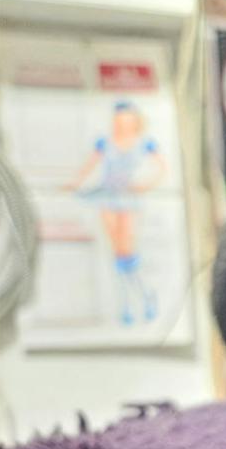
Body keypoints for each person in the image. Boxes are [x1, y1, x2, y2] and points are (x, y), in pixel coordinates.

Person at [68, 101, 166, 325]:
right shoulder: (105, 142)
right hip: (106, 197)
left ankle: (143, 296)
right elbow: (88, 167)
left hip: (128, 201)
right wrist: (73, 185)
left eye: (126, 119)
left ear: (134, 121)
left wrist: (145, 185)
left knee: (127, 252)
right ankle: (128, 304)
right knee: (118, 255)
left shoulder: (145, 143)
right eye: (119, 120)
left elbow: (162, 169)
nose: (122, 123)